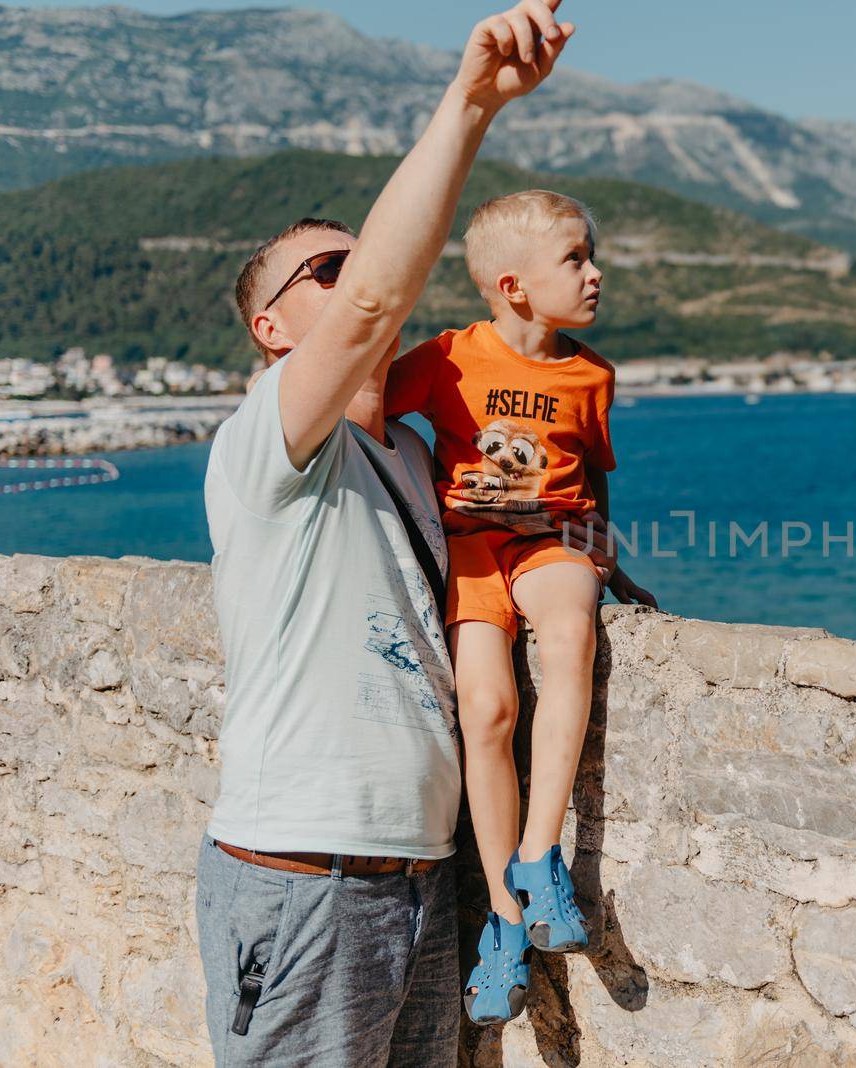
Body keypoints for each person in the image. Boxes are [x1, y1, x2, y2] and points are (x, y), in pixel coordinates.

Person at [196, 4, 587, 1063]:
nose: (366, 273)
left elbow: (533, 525)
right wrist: (470, 105)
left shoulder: (413, 458)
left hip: (417, 877)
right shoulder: (268, 439)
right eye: (327, 269)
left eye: (362, 257)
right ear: (271, 329)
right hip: (302, 877)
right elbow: (375, 306)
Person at [384, 188, 656, 1025]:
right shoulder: (448, 358)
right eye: (575, 258)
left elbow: (594, 477)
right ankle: (505, 922)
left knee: (570, 636)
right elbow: (364, 411)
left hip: (556, 537)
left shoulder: (591, 374)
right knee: (489, 710)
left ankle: (541, 859)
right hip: (469, 546)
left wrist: (614, 565)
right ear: (513, 285)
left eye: (590, 254)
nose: (595, 271)